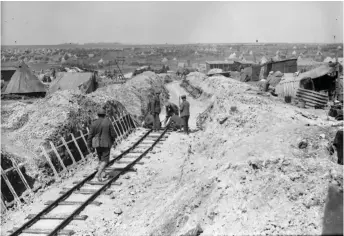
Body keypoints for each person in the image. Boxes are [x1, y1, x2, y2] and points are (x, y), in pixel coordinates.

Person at [87, 108, 117, 182]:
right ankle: (99, 173)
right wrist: (114, 139)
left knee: (100, 159)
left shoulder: (94, 123)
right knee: (105, 160)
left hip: (97, 144)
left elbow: (90, 135)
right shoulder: (108, 122)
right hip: (106, 144)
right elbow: (113, 134)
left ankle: (102, 175)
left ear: (98, 115)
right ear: (105, 114)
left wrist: (89, 145)